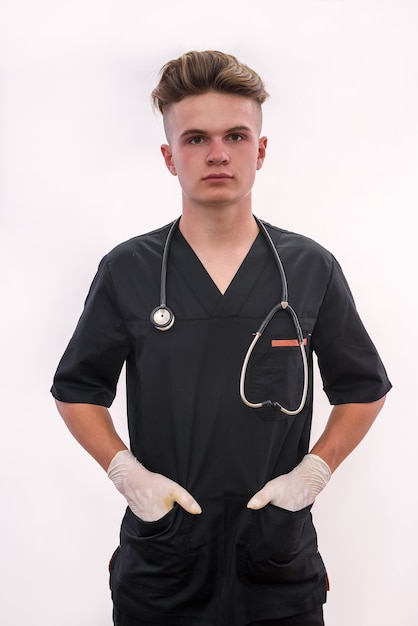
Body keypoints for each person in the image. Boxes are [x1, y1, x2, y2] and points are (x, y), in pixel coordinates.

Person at [51, 50, 391, 626]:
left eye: (235, 135)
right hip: (164, 566)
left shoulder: (310, 268)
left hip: (277, 564)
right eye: (195, 138)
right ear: (169, 156)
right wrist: (127, 475)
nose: (216, 153)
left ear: (260, 150)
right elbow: (78, 390)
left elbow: (362, 388)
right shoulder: (128, 270)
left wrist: (313, 474)